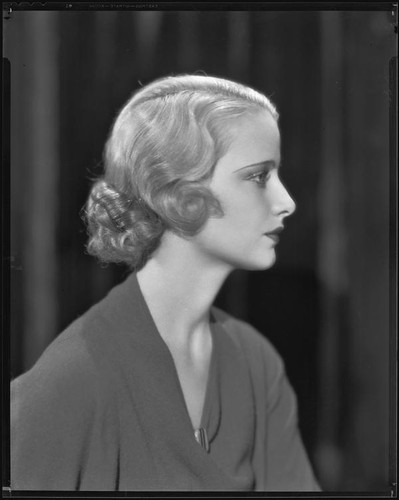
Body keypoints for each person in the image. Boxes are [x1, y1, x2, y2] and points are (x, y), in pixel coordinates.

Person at [10, 74, 321, 492]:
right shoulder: (69, 385)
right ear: (180, 195)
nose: (287, 201)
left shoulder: (255, 364)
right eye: (259, 176)